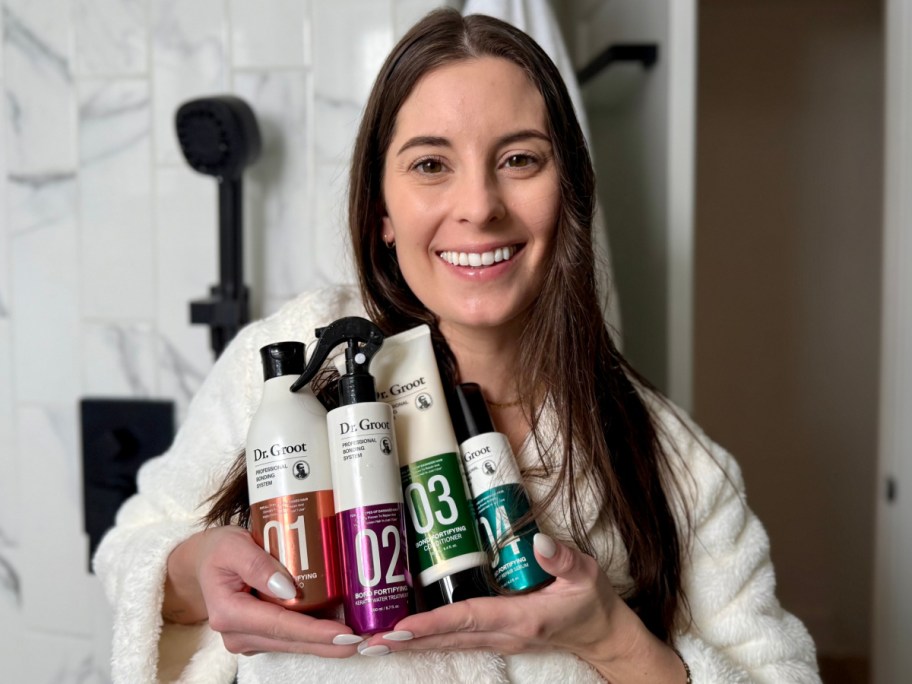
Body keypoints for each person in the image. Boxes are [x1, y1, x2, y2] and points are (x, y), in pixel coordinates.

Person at [94, 8, 820, 683]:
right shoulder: (286, 363)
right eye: (431, 165)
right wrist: (192, 572)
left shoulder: (675, 465)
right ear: (381, 209)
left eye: (520, 160)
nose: (479, 206)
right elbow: (133, 548)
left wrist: (607, 634)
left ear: (570, 193)